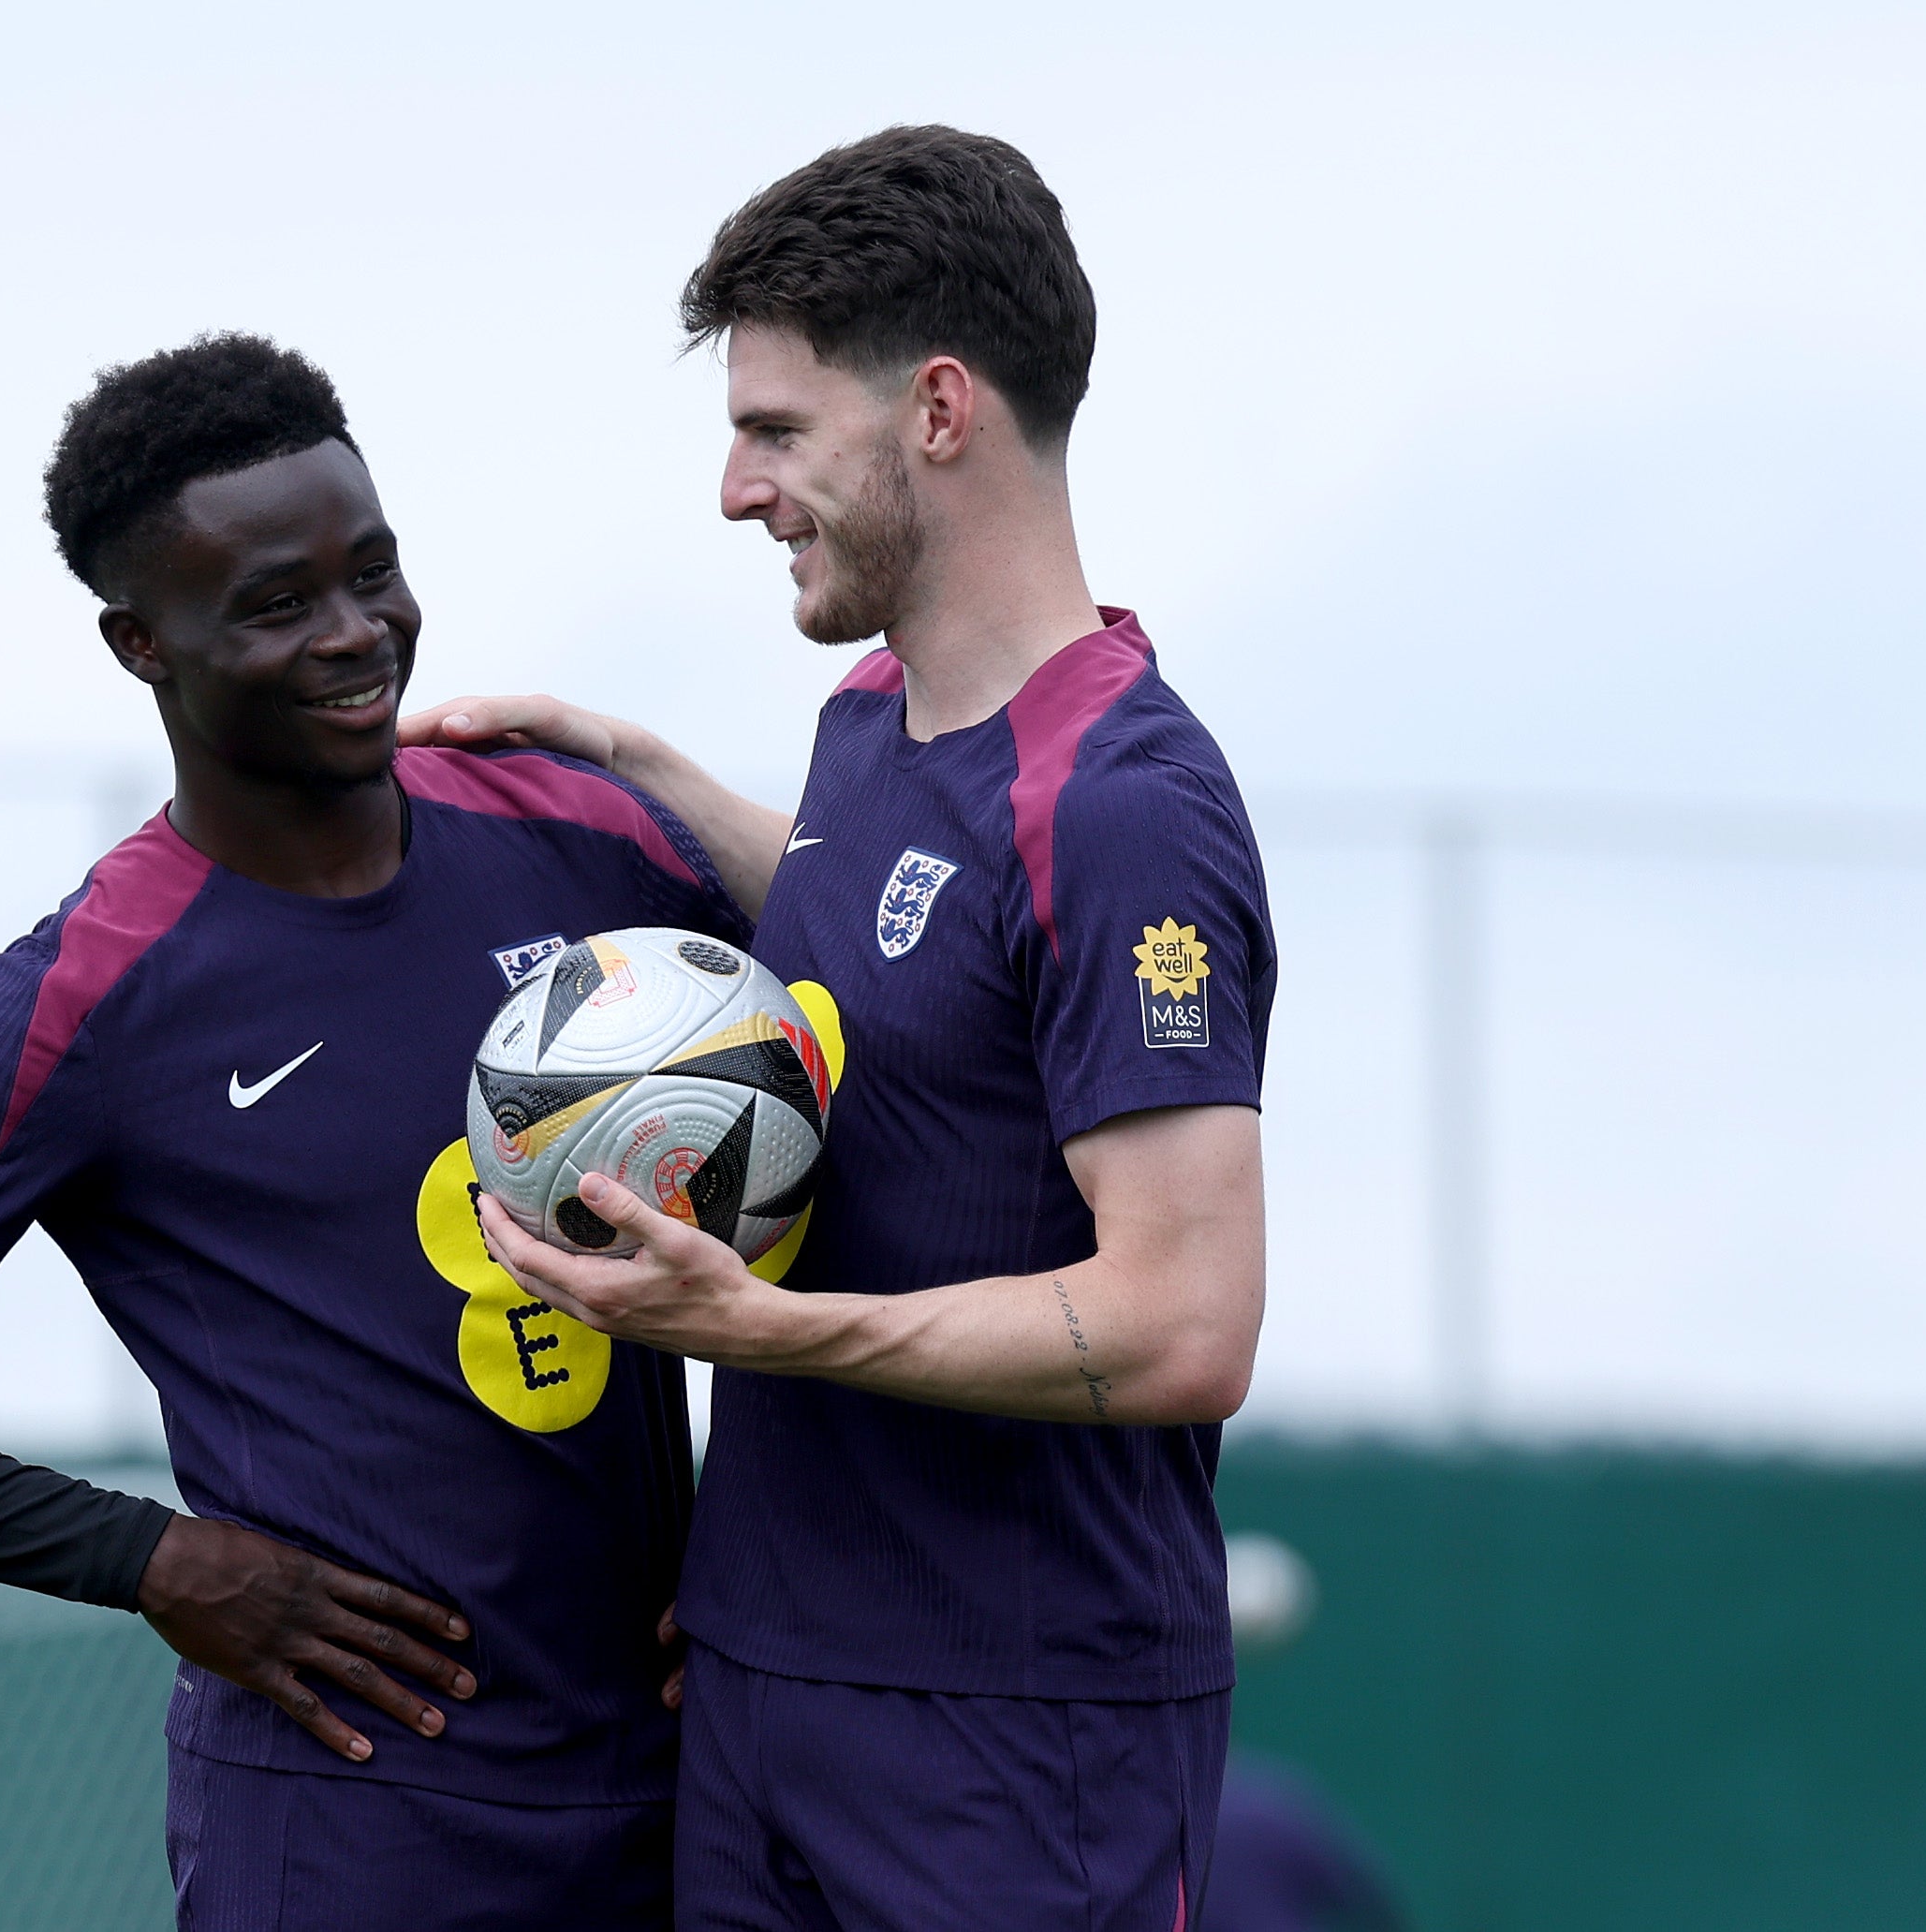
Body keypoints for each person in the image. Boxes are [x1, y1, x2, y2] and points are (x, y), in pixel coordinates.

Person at [0, 334, 748, 1930]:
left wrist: (772, 1538)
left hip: (691, 1790)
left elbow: (850, 1134)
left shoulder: (578, 834)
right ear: (141, 644)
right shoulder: (78, 998)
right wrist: (161, 1565)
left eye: (375, 572)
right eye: (276, 604)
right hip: (357, 1822)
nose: (355, 635)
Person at [404, 126, 1275, 1930]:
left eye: (777, 431)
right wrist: (638, 776)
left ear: (939, 409)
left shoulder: (1123, 807)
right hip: (752, 1686)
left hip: (1017, 1742)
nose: (737, 490)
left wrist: (762, 1330)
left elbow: (1183, 1321)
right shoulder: (875, 717)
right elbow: (897, 946)